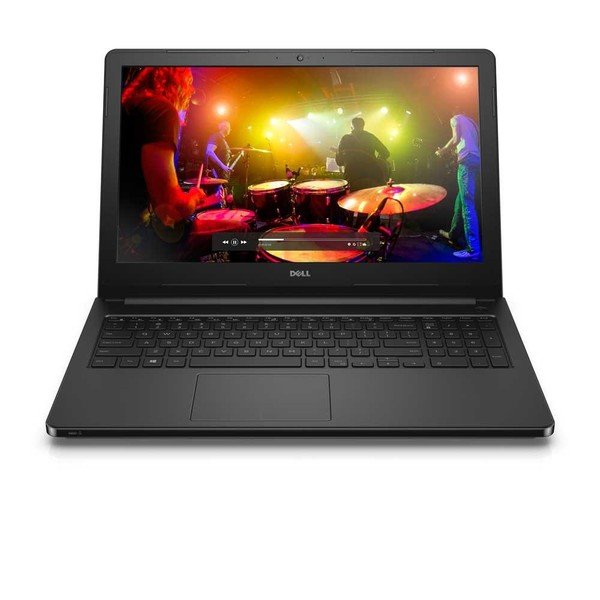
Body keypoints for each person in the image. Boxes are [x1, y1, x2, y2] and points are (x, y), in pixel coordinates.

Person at [120, 67, 216, 259]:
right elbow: (171, 208)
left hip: (118, 230)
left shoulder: (132, 106)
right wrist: (194, 197)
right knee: (239, 229)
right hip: (133, 239)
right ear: (176, 84)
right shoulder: (161, 110)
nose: (191, 91)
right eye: (189, 83)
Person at [436, 114, 482, 259]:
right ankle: (453, 234)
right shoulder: (472, 123)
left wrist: (443, 150)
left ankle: (473, 250)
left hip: (466, 161)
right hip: (476, 160)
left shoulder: (454, 118)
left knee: (467, 205)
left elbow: (455, 139)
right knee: (461, 200)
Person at [336, 117, 390, 190]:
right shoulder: (370, 137)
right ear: (363, 125)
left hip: (352, 178)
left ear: (351, 126)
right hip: (371, 176)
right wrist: (376, 160)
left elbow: (339, 162)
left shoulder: (345, 139)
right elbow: (386, 153)